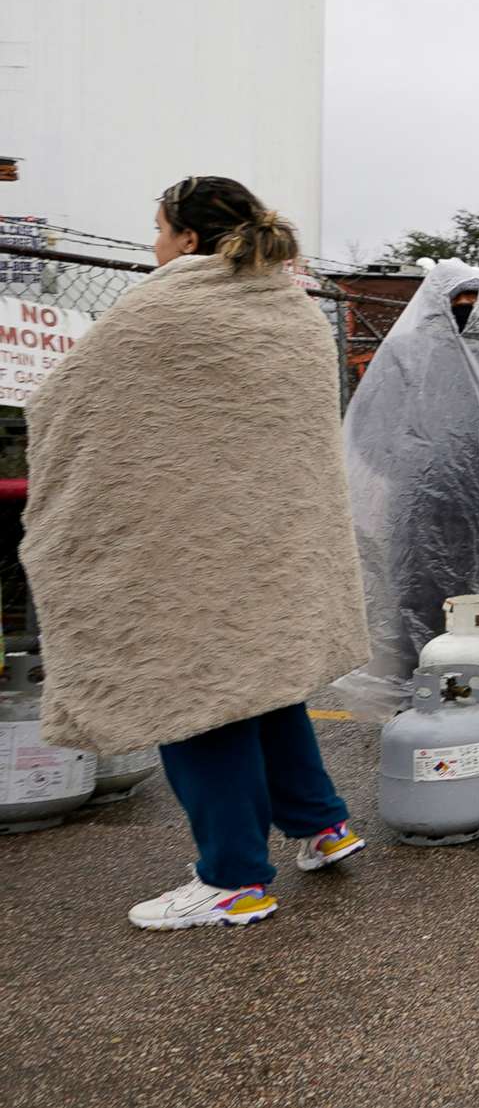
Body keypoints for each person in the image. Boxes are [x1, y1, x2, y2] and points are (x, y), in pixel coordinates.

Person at [24, 177, 369, 929]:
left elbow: (63, 400)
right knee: (264, 682)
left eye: (157, 229)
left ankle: (235, 878)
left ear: (186, 238)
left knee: (189, 691)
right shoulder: (295, 310)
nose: (152, 245)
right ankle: (323, 824)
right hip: (277, 538)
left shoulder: (165, 305)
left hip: (193, 544)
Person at [334, 260, 479, 719]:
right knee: (419, 604)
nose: (465, 308)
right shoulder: (406, 352)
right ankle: (417, 708)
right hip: (420, 511)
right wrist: (417, 473)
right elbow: (371, 431)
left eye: (473, 300)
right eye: (456, 300)